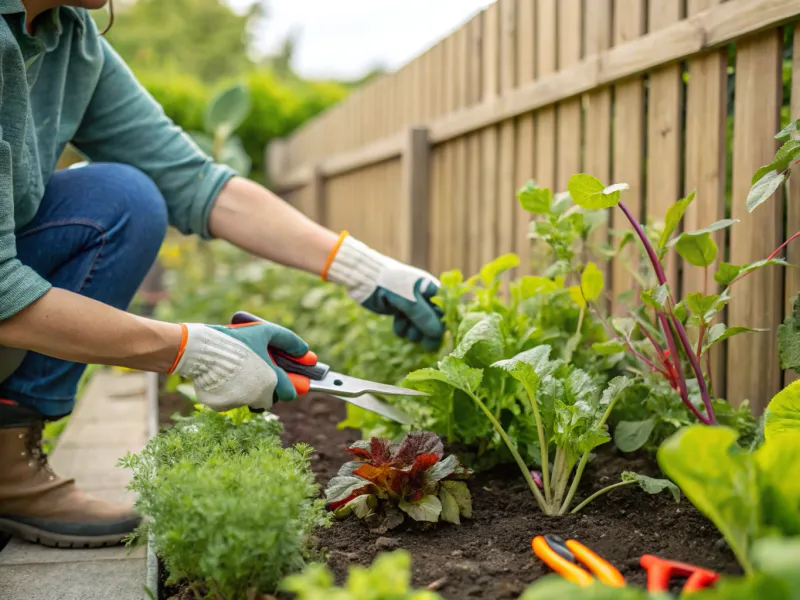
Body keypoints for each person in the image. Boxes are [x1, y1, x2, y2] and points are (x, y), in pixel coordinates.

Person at [0, 0, 444, 549]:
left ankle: (7, 459)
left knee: (125, 198)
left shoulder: (67, 34)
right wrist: (195, 351)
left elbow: (194, 182)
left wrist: (365, 268)